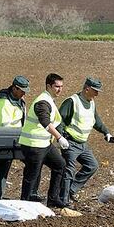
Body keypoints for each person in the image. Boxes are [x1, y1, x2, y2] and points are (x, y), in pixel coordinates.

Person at [58, 77, 114, 205]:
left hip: (83, 144)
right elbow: (59, 119)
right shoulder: (72, 101)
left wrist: (106, 133)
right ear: (87, 89)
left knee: (92, 165)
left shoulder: (91, 102)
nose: (97, 94)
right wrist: (60, 137)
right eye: (95, 91)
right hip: (70, 142)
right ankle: (63, 201)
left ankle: (71, 190)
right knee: (69, 170)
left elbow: (96, 120)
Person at [18, 73, 69, 208]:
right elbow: (45, 122)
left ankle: (53, 199)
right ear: (48, 86)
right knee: (32, 174)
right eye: (57, 86)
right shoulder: (42, 102)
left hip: (44, 144)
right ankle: (24, 204)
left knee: (60, 165)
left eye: (61, 86)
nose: (60, 89)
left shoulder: (49, 99)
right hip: (33, 144)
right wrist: (59, 137)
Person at [0, 75, 30, 200]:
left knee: (31, 163)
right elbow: (5, 126)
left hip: (18, 139)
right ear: (14, 88)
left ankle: (26, 194)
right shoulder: (4, 103)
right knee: (3, 166)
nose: (24, 94)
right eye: (22, 91)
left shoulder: (19, 100)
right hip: (6, 140)